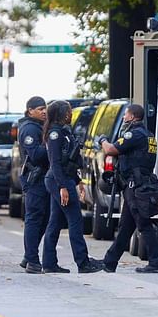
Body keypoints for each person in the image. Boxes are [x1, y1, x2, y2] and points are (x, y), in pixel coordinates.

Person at [98, 104, 158, 274]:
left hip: (135, 186)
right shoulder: (148, 135)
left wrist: (102, 140)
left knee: (143, 223)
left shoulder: (135, 134)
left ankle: (156, 263)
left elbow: (111, 150)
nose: (123, 118)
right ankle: (109, 262)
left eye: (125, 115)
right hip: (138, 185)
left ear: (133, 116)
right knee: (126, 226)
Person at [41, 100, 105, 274]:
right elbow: (55, 163)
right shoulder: (55, 134)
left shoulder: (64, 132)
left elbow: (67, 161)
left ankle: (49, 263)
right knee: (75, 220)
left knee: (55, 222)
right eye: (68, 111)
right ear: (62, 114)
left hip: (65, 179)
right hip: (58, 180)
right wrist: (63, 187)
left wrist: (78, 182)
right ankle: (83, 262)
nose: (71, 114)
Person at [17, 96, 51, 274]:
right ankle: (32, 260)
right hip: (34, 179)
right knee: (35, 218)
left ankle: (28, 256)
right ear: (30, 110)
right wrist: (52, 146)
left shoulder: (40, 127)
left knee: (44, 219)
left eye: (44, 108)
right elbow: (36, 155)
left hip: (43, 179)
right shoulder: (29, 128)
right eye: (39, 109)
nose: (44, 111)